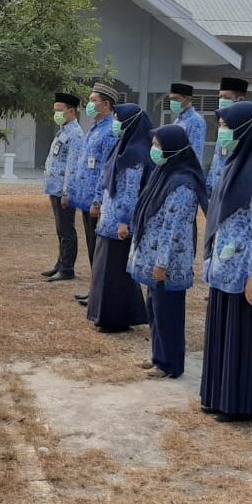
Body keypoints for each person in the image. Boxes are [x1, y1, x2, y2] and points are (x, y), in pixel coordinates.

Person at [198, 101, 252, 422]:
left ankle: (240, 404)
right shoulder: (232, 165)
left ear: (245, 131)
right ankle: (218, 396)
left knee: (240, 337)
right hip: (223, 267)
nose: (223, 133)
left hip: (243, 272)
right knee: (222, 333)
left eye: (228, 127)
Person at [129, 124, 207, 379]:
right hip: (155, 259)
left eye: (159, 146)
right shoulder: (164, 173)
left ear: (173, 149)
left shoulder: (182, 184)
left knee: (169, 314)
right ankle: (158, 356)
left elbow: (173, 229)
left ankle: (170, 363)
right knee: (156, 310)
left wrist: (162, 263)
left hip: (169, 262)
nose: (154, 150)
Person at [86, 102, 153, 332]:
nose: (115, 124)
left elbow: (131, 191)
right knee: (105, 270)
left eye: (118, 119)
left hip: (120, 223)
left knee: (115, 274)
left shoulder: (135, 153)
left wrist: (124, 220)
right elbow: (107, 182)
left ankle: (116, 319)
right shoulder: (121, 147)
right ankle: (104, 315)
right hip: (109, 218)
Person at [68, 83, 119, 307]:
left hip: (96, 201)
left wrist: (98, 200)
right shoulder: (95, 128)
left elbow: (105, 170)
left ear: (106, 105)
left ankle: (99, 294)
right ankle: (94, 290)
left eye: (93, 100)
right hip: (85, 198)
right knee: (92, 247)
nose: (88, 105)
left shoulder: (110, 131)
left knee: (98, 250)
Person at [41, 92, 85, 282]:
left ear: (71, 111)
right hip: (55, 187)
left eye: (60, 111)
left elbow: (72, 166)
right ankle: (60, 264)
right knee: (61, 229)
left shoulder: (75, 134)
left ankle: (67, 268)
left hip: (63, 190)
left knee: (67, 229)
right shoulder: (63, 130)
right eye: (55, 110)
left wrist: (67, 192)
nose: (56, 114)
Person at [206, 77, 249, 195]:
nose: (222, 100)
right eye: (220, 97)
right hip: (217, 192)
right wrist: (209, 190)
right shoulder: (223, 127)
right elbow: (217, 159)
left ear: (240, 100)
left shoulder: (246, 129)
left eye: (226, 97)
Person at [167, 82, 207, 162]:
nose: (172, 102)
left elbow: (196, 153)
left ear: (187, 99)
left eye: (175, 99)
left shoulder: (196, 121)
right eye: (171, 99)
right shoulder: (178, 121)